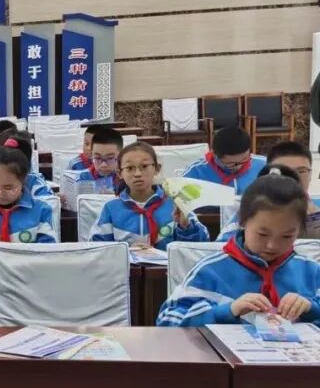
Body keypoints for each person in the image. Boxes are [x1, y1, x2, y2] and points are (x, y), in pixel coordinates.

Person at [157, 173, 320, 326]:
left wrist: (312, 308)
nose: (272, 245)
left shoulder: (311, 271)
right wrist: (227, 311)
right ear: (242, 221)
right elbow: (167, 320)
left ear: (300, 230)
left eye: (286, 236)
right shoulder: (211, 271)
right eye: (262, 234)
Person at [91, 142, 208, 250]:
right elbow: (98, 248)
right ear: (120, 173)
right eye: (130, 168)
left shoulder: (176, 204)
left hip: (167, 266)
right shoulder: (111, 208)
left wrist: (186, 226)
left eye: (144, 166)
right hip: (125, 266)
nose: (137, 174)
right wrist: (126, 251)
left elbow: (199, 248)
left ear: (157, 169)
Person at [182, 126, 265, 194]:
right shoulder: (196, 172)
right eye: (231, 164)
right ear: (215, 155)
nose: (239, 166)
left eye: (245, 159)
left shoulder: (264, 165)